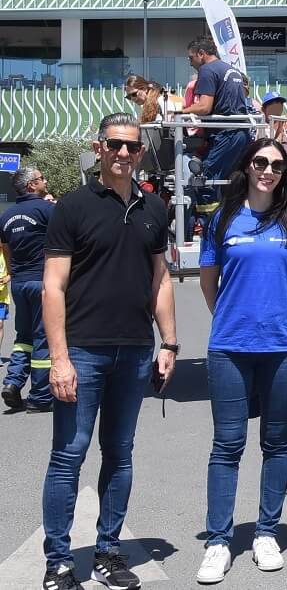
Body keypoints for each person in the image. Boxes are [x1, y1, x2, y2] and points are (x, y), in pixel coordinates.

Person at [40, 113, 177, 590]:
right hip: (83, 351)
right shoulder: (73, 207)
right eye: (115, 145)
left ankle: (108, 551)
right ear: (99, 148)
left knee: (119, 453)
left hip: (136, 351)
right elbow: (53, 287)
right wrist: (59, 359)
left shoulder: (154, 208)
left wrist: (170, 343)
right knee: (69, 455)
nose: (124, 154)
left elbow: (160, 280)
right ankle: (58, 560)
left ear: (141, 153)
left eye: (132, 148)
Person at [195, 138, 287, 584]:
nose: (269, 170)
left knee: (277, 441)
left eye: (278, 166)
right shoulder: (223, 218)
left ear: (285, 174)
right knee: (227, 445)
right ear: (247, 167)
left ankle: (267, 532)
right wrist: (235, 317)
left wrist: (272, 317)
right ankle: (218, 541)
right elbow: (210, 282)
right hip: (229, 346)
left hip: (283, 347)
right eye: (261, 162)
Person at [1, 166, 55, 413]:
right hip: (42, 281)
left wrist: (13, 272)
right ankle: (41, 396)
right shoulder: (46, 210)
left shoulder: (6, 216)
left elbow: (6, 249)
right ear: (32, 185)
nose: (45, 181)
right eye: (41, 178)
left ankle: (12, 382)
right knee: (43, 336)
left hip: (20, 283)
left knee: (23, 338)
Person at [183, 35, 252, 211]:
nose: (190, 63)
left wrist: (180, 112)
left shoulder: (207, 70)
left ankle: (209, 228)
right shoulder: (231, 70)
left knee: (205, 180)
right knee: (230, 182)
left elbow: (205, 107)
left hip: (226, 134)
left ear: (201, 53)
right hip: (241, 134)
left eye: (191, 58)